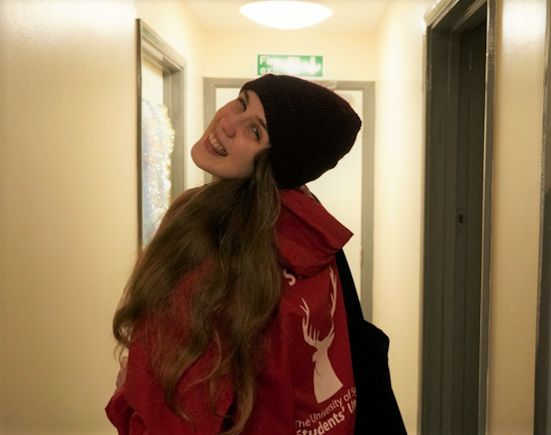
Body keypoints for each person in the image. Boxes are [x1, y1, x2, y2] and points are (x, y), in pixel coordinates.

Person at [105, 74, 405, 434]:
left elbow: (178, 411)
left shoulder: (211, 242)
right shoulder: (310, 224)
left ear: (279, 165)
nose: (228, 123)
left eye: (256, 132)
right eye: (242, 102)